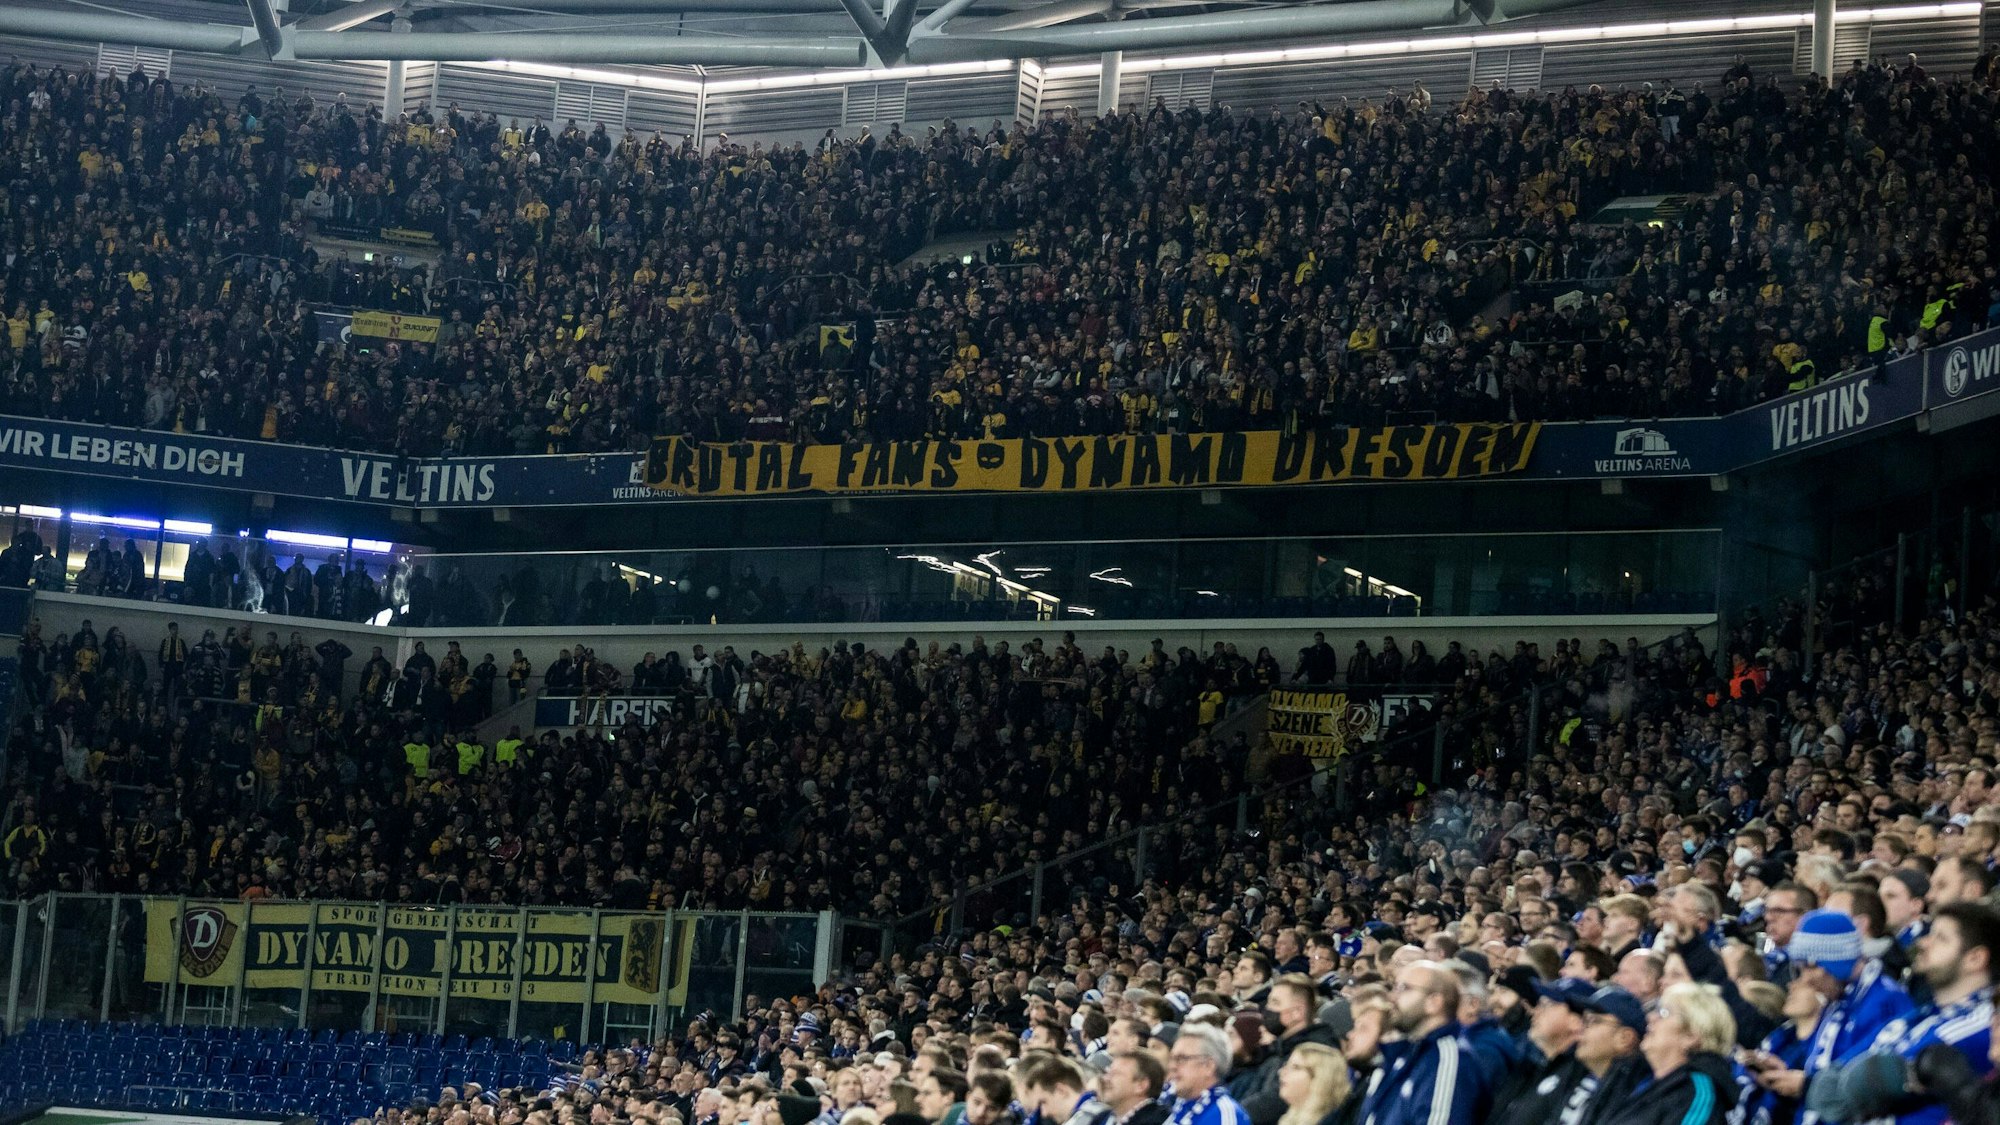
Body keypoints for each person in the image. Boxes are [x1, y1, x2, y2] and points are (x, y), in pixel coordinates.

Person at [1803, 901, 2000, 1125]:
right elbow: (1829, 1086)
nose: (1923, 942)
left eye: (1941, 938)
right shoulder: (1920, 1016)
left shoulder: (1981, 1024)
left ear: (1975, 958)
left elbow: (1859, 1086)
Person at [1594, 982, 1738, 1125]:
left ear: (1691, 1036)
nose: (1651, 1017)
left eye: (1664, 1013)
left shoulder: (1697, 1093)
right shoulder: (1639, 1078)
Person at [1357, 961, 1482, 1125]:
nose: (1392, 997)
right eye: (1395, 987)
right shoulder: (1406, 1053)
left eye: (1404, 988)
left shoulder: (1447, 1058)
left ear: (1434, 1002)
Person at [1566, 986, 1651, 1125]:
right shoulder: (1592, 1082)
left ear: (1625, 1038)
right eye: (1584, 1021)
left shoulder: (1639, 1097)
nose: (1581, 1029)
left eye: (1592, 1021)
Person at [1166, 1025, 1250, 1125]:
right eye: (1172, 1058)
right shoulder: (1181, 1106)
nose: (1172, 1066)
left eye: (1182, 1058)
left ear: (1208, 1066)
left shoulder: (1222, 1114)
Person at [1273, 1043, 1348, 1125]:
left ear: (1321, 1078)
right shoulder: (1291, 1117)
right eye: (1286, 1065)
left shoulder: (1332, 1121)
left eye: (1296, 1067)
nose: (1281, 1072)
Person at [1099, 1052, 1169, 1125]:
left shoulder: (1158, 1121)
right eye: (1108, 1073)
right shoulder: (1102, 1118)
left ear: (1141, 1085)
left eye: (1115, 1074)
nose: (1105, 1079)